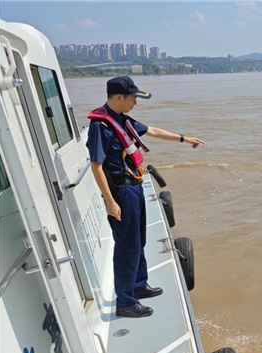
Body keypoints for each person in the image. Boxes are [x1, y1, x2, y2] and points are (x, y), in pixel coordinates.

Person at [86, 76, 203, 318]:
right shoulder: (102, 126)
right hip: (121, 191)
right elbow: (96, 166)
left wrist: (184, 139)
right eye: (133, 99)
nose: (135, 104)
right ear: (119, 97)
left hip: (135, 185)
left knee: (139, 240)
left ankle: (139, 285)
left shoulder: (122, 120)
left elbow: (153, 131)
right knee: (126, 246)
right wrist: (110, 201)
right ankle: (125, 301)